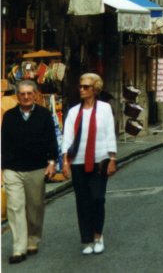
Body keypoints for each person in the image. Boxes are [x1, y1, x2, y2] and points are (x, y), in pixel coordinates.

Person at [1, 79, 59, 264]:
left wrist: (52, 162)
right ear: (18, 96)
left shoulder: (44, 115)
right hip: (13, 169)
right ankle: (19, 248)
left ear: (35, 94)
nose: (26, 97)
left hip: (36, 168)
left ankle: (33, 239)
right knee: (15, 207)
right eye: (22, 93)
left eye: (29, 93)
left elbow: (52, 140)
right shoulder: (9, 116)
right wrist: (2, 167)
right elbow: (3, 143)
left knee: (35, 207)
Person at [62, 73, 117, 255]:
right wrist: (65, 161)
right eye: (81, 86)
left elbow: (110, 133)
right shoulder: (73, 111)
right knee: (82, 201)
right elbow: (67, 137)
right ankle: (86, 240)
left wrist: (113, 158)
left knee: (97, 199)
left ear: (95, 90)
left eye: (86, 87)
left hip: (100, 160)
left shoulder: (104, 109)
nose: (82, 89)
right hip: (78, 161)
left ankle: (98, 236)